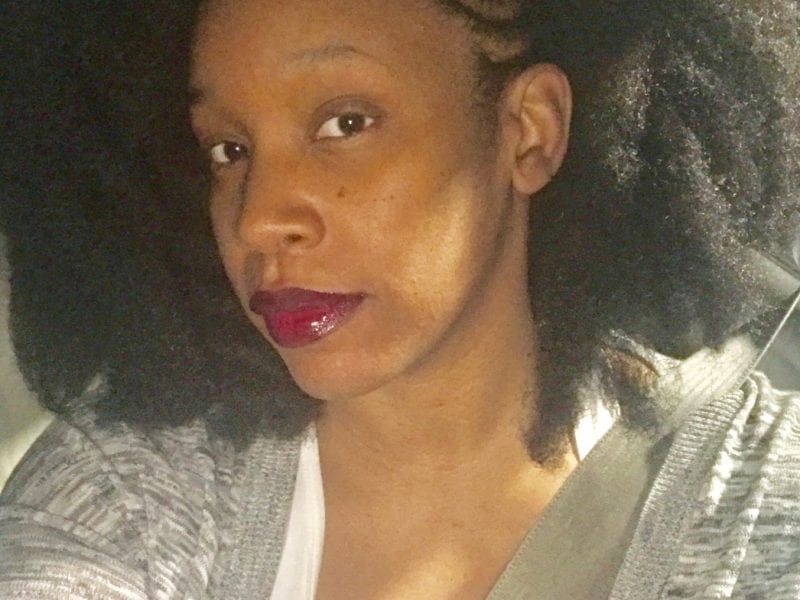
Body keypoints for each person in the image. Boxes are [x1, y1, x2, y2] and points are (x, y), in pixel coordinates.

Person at [1, 0, 800, 598]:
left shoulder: (761, 504)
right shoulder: (128, 495)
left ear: (529, 130)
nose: (258, 218)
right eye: (230, 148)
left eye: (346, 123)